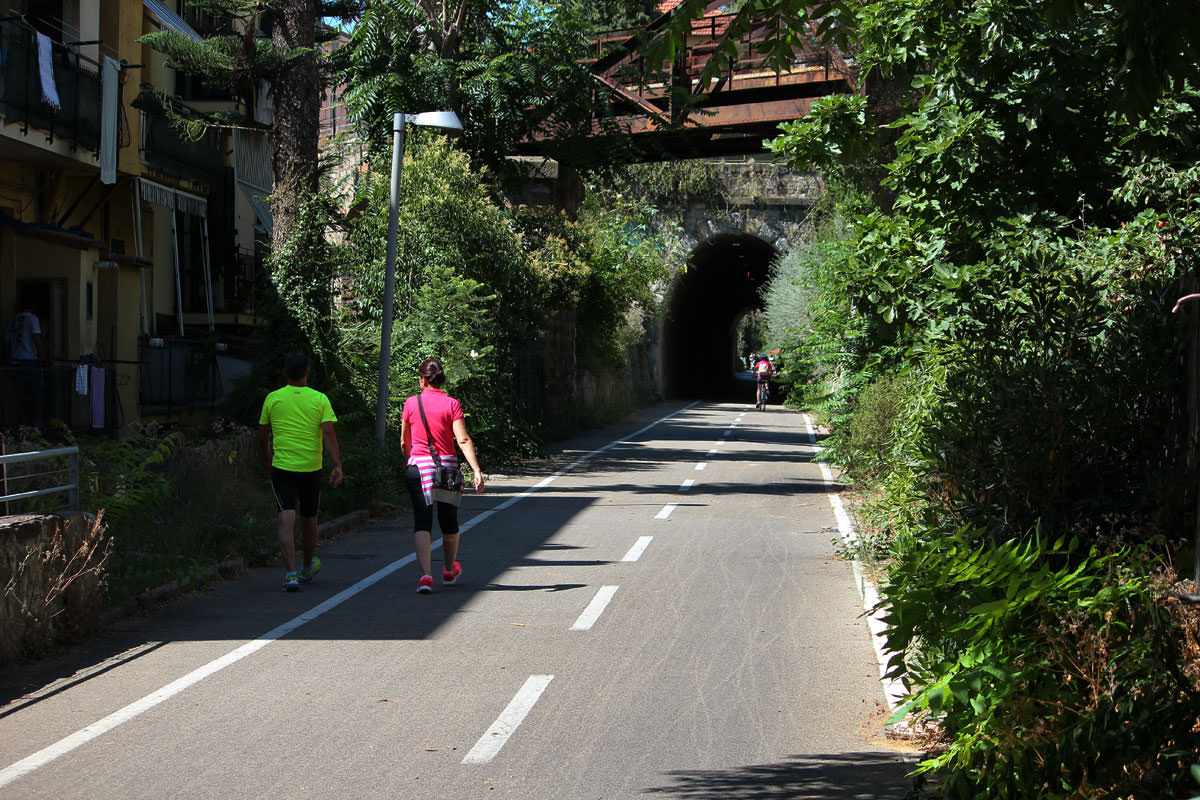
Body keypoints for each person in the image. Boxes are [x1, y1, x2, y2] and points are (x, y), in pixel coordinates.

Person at [258, 352, 343, 592]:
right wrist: (337, 464)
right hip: (311, 467)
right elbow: (328, 433)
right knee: (309, 517)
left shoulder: (272, 399)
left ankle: (290, 573)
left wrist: (266, 456)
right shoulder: (320, 399)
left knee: (285, 515)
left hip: (282, 466)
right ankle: (306, 567)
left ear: (285, 372)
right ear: (308, 372)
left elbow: (262, 434)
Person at [400, 357, 484, 593]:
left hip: (418, 469)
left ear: (422, 379)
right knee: (449, 522)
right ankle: (448, 569)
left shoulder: (411, 403)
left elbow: (404, 441)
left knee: (422, 523)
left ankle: (426, 576)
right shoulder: (452, 404)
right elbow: (463, 439)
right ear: (441, 379)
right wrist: (476, 470)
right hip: (447, 470)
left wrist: (410, 461)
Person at [6, 298, 43, 427]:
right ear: (33, 306)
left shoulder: (13, 320)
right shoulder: (32, 319)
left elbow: (8, 342)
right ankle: (37, 420)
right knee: (36, 392)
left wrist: (9, 358)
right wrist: (42, 355)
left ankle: (21, 420)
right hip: (29, 360)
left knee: (18, 394)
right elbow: (36, 338)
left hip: (14, 360)